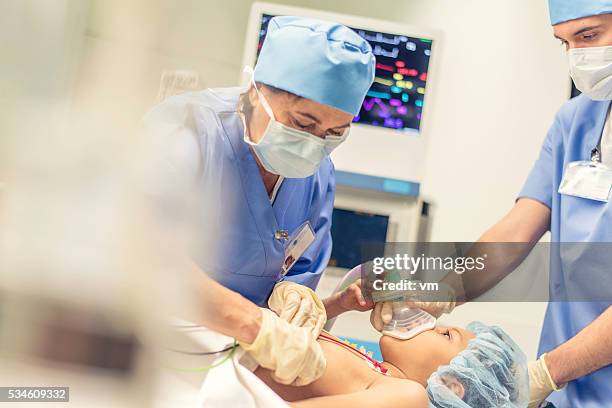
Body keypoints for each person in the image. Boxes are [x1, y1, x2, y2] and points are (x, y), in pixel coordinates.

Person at [371, 1, 612, 406]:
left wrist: (546, 372)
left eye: (589, 36)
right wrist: (442, 287)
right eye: (564, 42)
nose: (577, 56)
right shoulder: (576, 122)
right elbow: (514, 233)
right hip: (568, 390)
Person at [145, 16, 375, 386]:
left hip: (239, 354)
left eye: (335, 132)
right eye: (302, 123)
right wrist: (254, 325)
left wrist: (296, 295)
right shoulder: (187, 133)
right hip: (150, 339)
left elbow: (302, 266)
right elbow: (142, 256)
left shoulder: (316, 174)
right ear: (256, 93)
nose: (316, 144)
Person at [254, 284, 528, 408]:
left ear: (451, 385)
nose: (430, 324)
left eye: (446, 334)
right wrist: (337, 304)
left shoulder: (408, 399)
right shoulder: (376, 372)